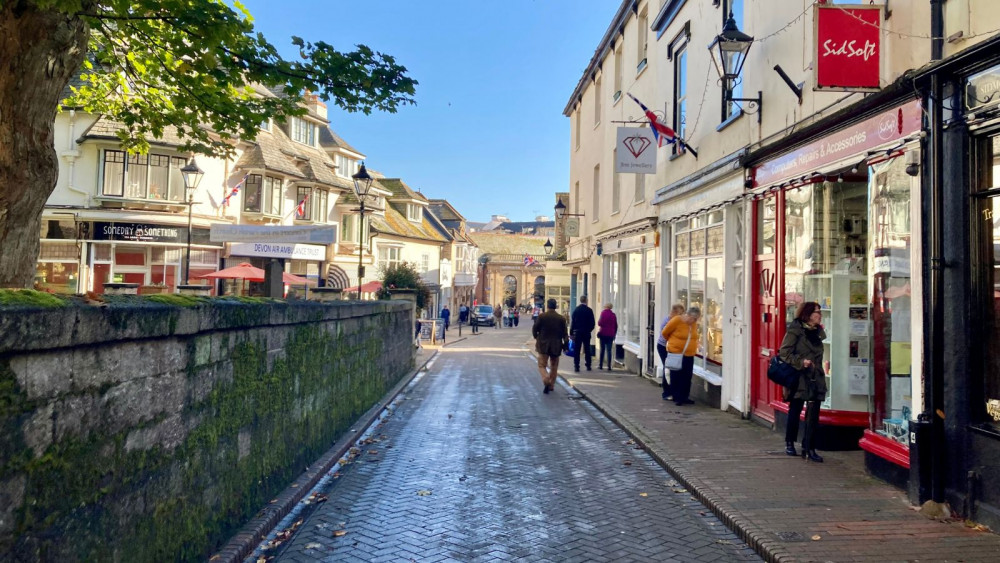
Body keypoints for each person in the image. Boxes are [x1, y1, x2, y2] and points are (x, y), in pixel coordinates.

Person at [779, 301, 829, 463]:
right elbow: (784, 353)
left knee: (813, 413)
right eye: (816, 312)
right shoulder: (795, 330)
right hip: (799, 376)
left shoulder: (818, 332)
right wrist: (802, 362)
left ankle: (809, 447)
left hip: (816, 376)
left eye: (820, 312)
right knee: (796, 409)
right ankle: (790, 442)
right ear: (807, 314)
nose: (819, 315)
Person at [661, 307, 701, 406]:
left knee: (687, 376)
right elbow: (665, 333)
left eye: (696, 319)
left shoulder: (693, 324)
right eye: (694, 319)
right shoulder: (676, 320)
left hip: (689, 354)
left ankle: (685, 396)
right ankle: (677, 396)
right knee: (676, 375)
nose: (695, 321)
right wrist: (674, 343)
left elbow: (694, 336)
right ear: (688, 315)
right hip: (676, 353)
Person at [533, 298, 569, 394]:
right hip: (556, 345)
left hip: (543, 345)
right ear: (555, 306)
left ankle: (546, 378)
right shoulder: (561, 319)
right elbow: (565, 334)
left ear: (547, 306)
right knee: (554, 366)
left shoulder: (542, 317)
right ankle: (551, 385)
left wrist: (537, 337)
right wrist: (565, 346)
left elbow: (535, 328)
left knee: (541, 365)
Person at [656, 304, 686, 400]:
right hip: (664, 347)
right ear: (675, 312)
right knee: (667, 367)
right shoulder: (668, 321)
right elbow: (667, 335)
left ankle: (673, 391)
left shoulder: (675, 320)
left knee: (671, 368)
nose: (682, 315)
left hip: (671, 348)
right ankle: (667, 392)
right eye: (681, 313)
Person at [569, 295, 596, 372]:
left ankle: (576, 366)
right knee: (587, 348)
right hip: (586, 332)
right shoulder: (589, 310)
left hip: (577, 332)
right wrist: (589, 330)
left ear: (580, 301)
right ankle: (588, 365)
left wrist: (571, 333)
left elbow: (572, 323)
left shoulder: (576, 310)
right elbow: (592, 323)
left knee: (577, 349)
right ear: (586, 301)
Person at [596, 303, 618, 370]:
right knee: (609, 350)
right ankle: (609, 366)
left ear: (606, 307)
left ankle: (601, 365)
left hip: (603, 333)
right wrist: (614, 333)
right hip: (610, 334)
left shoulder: (603, 313)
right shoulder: (613, 315)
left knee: (602, 350)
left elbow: (599, 323)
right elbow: (616, 325)